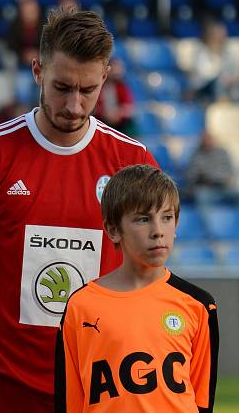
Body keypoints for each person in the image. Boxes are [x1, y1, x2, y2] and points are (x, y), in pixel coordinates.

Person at [0, 9, 158, 413]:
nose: (74, 105)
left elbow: (147, 267)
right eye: (62, 87)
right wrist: (0, 321)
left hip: (96, 384)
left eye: (87, 90)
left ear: (105, 77)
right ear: (37, 71)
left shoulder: (132, 161)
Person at [55, 164, 218, 412]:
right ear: (112, 230)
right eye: (143, 219)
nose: (157, 232)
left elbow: (202, 402)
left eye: (166, 217)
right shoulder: (81, 306)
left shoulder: (198, 305)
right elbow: (70, 403)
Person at [189, 20, 239, 102]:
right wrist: (221, 76)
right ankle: (221, 105)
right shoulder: (202, 52)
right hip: (204, 88)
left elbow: (234, 72)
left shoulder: (228, 54)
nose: (223, 37)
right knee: (218, 82)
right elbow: (204, 75)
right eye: (220, 34)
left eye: (224, 34)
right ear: (212, 35)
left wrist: (231, 79)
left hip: (225, 86)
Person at [184, 131, 239, 206]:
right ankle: (208, 217)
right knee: (202, 197)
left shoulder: (222, 153)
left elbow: (229, 173)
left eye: (209, 139)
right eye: (204, 140)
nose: (207, 142)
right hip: (205, 188)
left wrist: (224, 179)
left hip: (223, 187)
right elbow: (191, 176)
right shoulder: (196, 155)